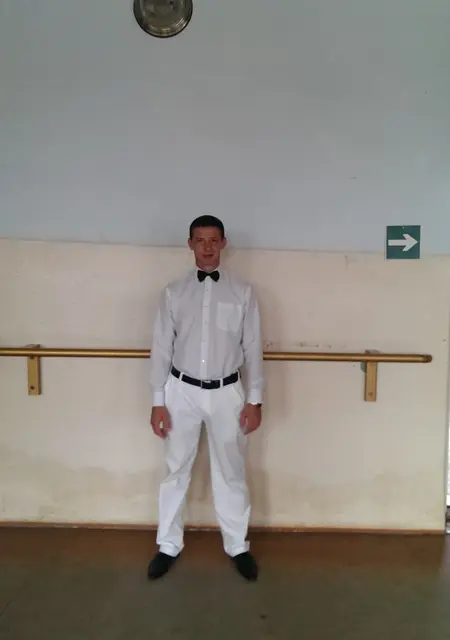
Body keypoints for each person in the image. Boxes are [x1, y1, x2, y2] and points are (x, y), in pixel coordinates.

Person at [147, 215, 264, 581]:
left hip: (228, 392)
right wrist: (158, 401)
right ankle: (168, 544)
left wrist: (255, 399)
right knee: (175, 469)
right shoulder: (173, 292)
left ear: (223, 243)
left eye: (214, 240)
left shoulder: (243, 292)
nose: (208, 247)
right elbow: (161, 349)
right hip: (180, 391)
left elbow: (253, 347)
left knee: (231, 471)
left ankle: (237, 545)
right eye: (200, 240)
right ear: (190, 244)